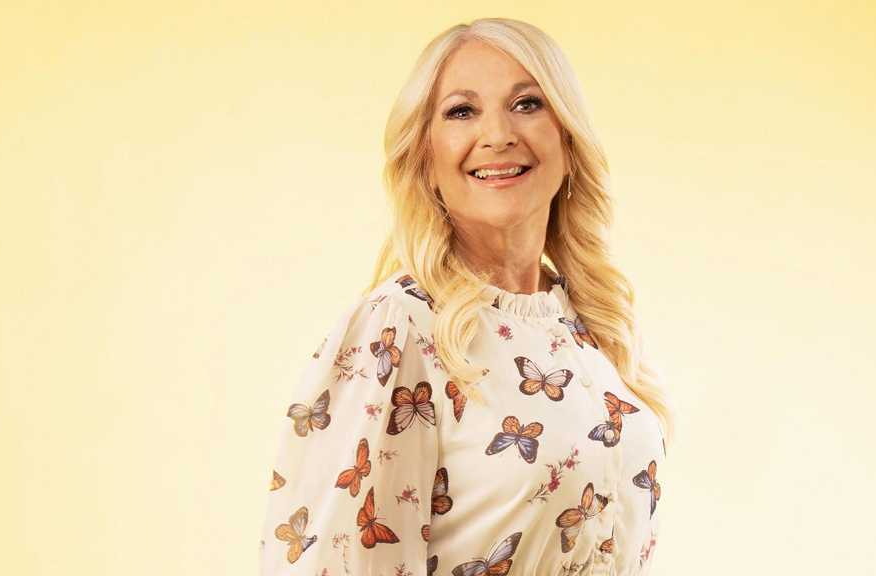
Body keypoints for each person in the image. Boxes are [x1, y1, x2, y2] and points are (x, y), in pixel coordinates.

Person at [259, 17, 675, 576]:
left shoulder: (595, 323)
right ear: (426, 158)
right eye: (461, 111)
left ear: (568, 142)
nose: (498, 134)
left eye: (527, 104)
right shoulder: (399, 326)